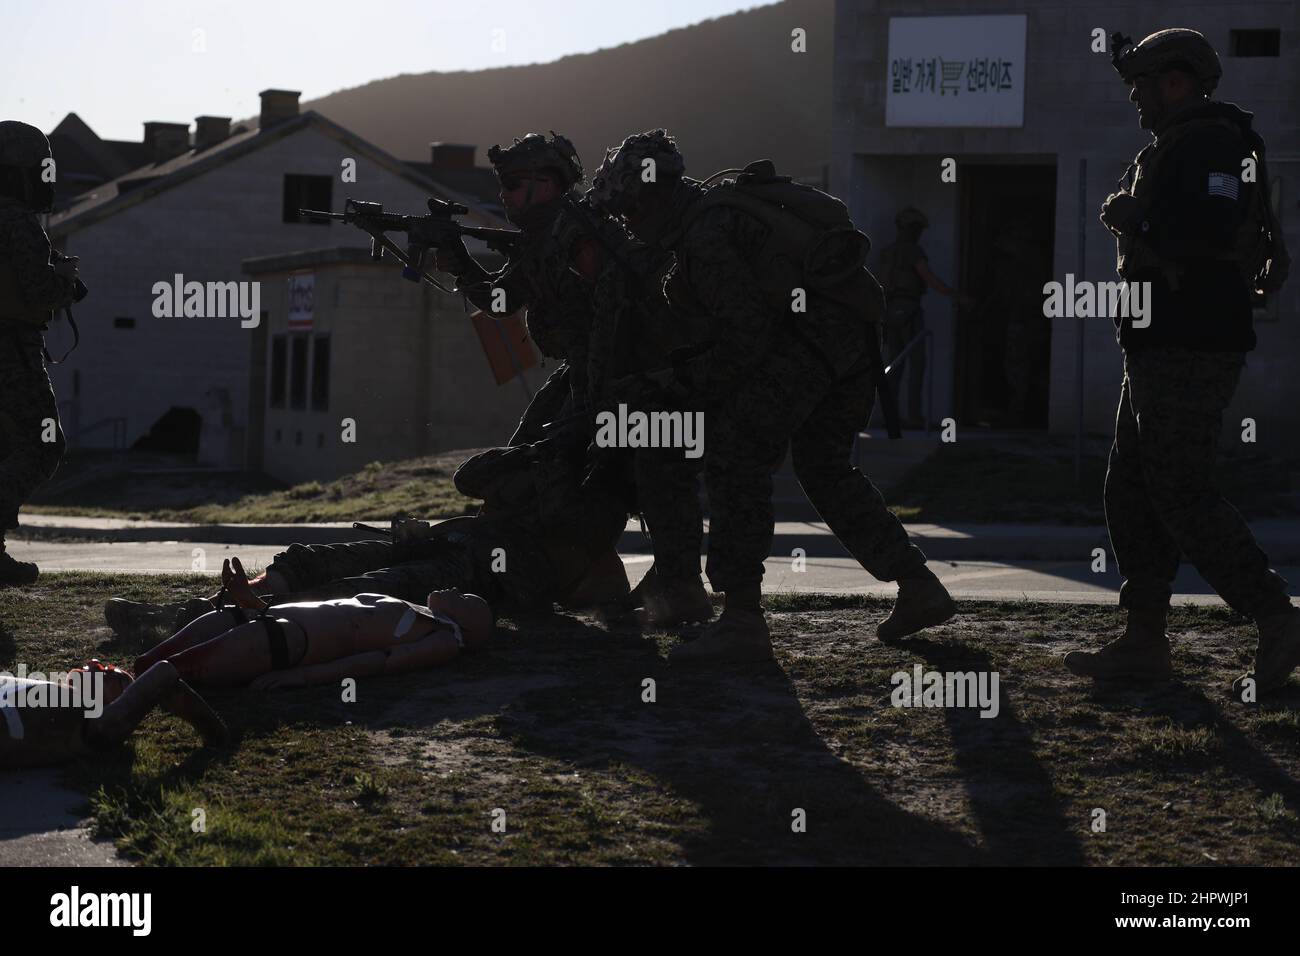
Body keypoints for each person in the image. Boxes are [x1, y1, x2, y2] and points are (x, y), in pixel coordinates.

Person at [587, 130, 956, 663]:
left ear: (649, 197)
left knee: (735, 454)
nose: (627, 224)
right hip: (850, 342)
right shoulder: (716, 215)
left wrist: (668, 383)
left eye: (627, 211)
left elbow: (742, 342)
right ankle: (919, 586)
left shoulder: (706, 235)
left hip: (810, 346)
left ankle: (741, 618)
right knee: (824, 467)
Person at [1062, 28, 1299, 695]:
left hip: (1192, 343)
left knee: (1180, 489)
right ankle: (1143, 641)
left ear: (1175, 81)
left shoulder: (1214, 143)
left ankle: (1276, 615)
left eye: (1141, 85)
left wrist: (1133, 218)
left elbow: (1207, 230)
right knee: (1130, 489)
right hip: (1159, 344)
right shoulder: (1176, 143)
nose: (1134, 98)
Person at [436, 133, 711, 626]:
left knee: (645, 476)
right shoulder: (543, 237)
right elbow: (501, 303)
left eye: (515, 184)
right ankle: (593, 574)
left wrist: (601, 398)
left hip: (625, 375)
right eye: (503, 185)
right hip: (583, 374)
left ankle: (670, 582)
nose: (505, 194)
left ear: (548, 184)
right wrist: (455, 257)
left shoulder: (581, 233)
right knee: (532, 461)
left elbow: (616, 310)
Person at [106, 435, 635, 633]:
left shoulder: (592, 495)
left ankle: (237, 624)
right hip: (451, 543)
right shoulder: (537, 461)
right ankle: (196, 611)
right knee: (314, 557)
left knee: (371, 588)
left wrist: (558, 467)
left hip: (482, 574)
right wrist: (530, 450)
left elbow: (587, 583)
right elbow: (468, 480)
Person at [132, 558, 493, 692]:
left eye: (463, 599)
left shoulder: (442, 638)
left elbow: (374, 663)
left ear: (467, 625)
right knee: (145, 664)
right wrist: (251, 601)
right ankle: (92, 694)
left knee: (162, 674)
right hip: (266, 618)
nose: (455, 590)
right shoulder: (417, 611)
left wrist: (299, 678)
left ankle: (100, 711)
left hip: (289, 640)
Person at [0, 121, 79, 585]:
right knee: (42, 443)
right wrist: (64, 281)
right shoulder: (15, 219)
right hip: (11, 349)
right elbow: (38, 288)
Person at [1, 660, 226, 770]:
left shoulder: (87, 720)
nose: (94, 665)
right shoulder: (65, 700)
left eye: (111, 676)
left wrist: (220, 739)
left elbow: (163, 675)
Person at [875, 207, 969, 427]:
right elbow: (929, 278)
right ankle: (914, 417)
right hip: (908, 310)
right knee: (917, 364)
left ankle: (892, 416)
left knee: (895, 365)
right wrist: (958, 297)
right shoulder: (912, 251)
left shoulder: (887, 252)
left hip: (889, 312)